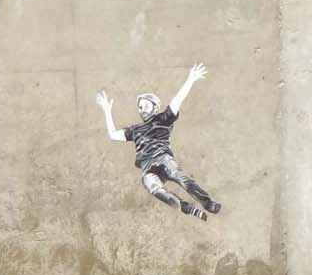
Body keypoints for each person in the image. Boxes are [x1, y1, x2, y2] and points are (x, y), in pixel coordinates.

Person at [94, 63, 219, 220]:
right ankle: (185, 207)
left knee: (180, 177)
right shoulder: (135, 130)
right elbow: (113, 134)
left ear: (155, 107)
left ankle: (207, 202)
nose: (141, 109)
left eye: (145, 105)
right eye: (140, 107)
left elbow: (178, 100)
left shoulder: (163, 119)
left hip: (163, 158)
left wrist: (190, 79)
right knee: (152, 185)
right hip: (147, 167)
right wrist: (107, 111)